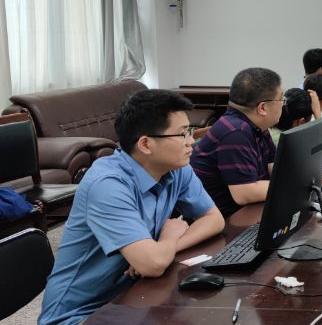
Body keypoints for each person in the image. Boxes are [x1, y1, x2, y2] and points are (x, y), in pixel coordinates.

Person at [40, 90, 224, 325]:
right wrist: (167, 238)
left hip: (134, 295)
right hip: (80, 314)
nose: (191, 141)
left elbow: (213, 218)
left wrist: (164, 248)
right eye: (182, 134)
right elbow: (152, 265)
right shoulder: (107, 184)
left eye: (190, 131)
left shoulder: (177, 168)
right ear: (145, 144)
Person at [190, 67, 282, 217]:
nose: (283, 104)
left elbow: (275, 166)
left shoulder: (258, 126)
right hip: (224, 221)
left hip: (245, 211)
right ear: (263, 108)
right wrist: (293, 184)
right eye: (281, 99)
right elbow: (244, 192)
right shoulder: (235, 133)